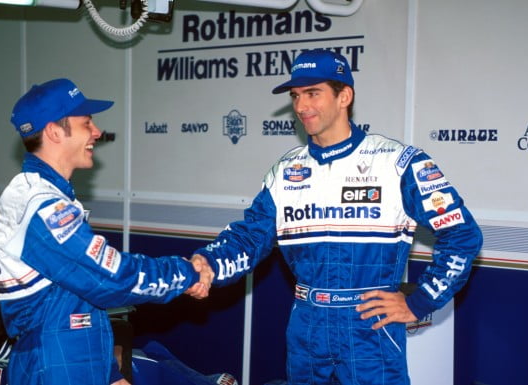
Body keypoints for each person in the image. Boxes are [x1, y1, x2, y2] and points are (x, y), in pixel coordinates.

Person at [191, 49, 483, 385]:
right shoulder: (286, 171)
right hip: (307, 325)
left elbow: (463, 236)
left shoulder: (398, 163)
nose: (301, 107)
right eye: (296, 95)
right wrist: (209, 263)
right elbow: (249, 238)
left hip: (370, 325)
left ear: (344, 95)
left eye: (313, 93)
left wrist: (420, 302)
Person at [0, 78, 212, 385]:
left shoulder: (49, 197)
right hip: (52, 366)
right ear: (54, 131)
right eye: (87, 123)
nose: (97, 132)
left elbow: (75, 300)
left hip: (69, 360)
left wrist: (109, 374)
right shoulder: (37, 205)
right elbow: (109, 278)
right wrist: (186, 273)